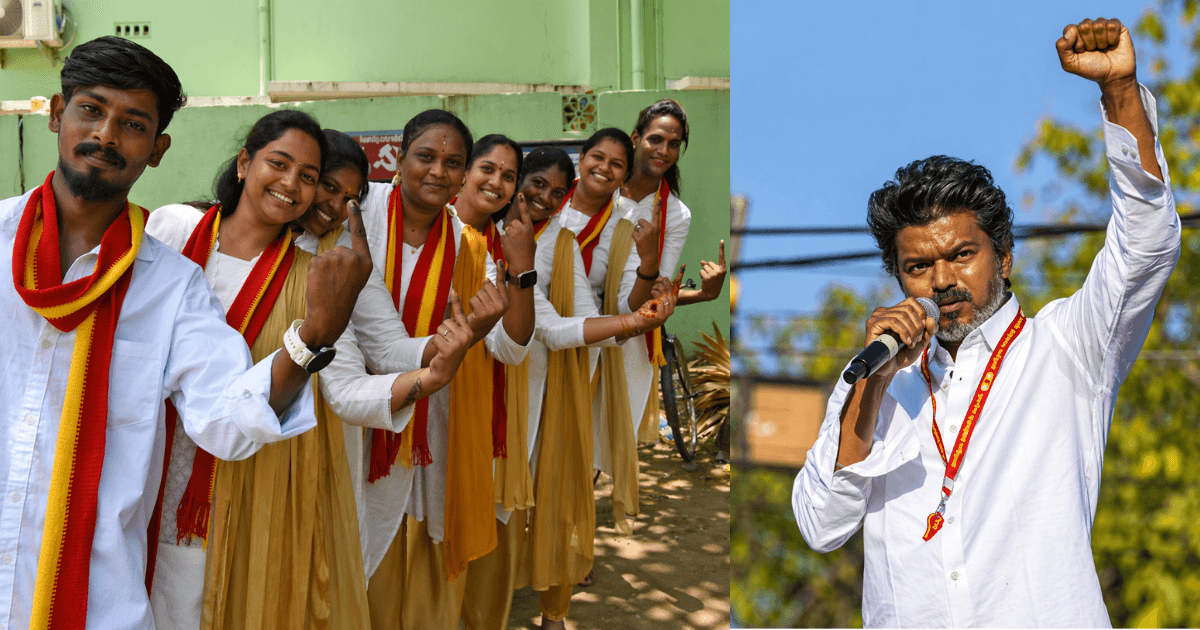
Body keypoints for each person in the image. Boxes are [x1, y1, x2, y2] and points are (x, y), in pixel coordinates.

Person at [791, 18, 1180, 627]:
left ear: (1004, 254)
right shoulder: (874, 379)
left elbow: (1148, 244)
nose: (942, 280)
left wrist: (1121, 93)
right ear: (898, 277)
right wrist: (871, 387)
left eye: (961, 256)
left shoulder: (1068, 345)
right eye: (918, 266)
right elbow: (820, 527)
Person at [0, 36, 367, 630]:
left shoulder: (171, 287)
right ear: (54, 115)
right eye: (91, 110)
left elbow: (227, 420)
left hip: (100, 602)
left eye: (134, 124)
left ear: (159, 149)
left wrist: (313, 337)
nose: (107, 136)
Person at [144, 110, 383, 629]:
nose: (291, 184)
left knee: (195, 601)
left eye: (309, 177)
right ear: (244, 162)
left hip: (231, 478)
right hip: (142, 458)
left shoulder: (310, 277)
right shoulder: (172, 230)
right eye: (278, 163)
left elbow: (333, 384)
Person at [357, 110, 532, 630]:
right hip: (346, 398)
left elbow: (512, 349)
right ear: (398, 157)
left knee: (395, 531)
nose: (437, 172)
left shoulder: (469, 244)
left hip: (421, 413)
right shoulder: (363, 210)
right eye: (426, 157)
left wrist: (522, 267)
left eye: (450, 163)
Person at [517, 127, 674, 629]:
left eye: (616, 164)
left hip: (577, 360)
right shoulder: (543, 212)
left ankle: (553, 609)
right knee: (514, 465)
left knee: (560, 477)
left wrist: (649, 264)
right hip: (517, 353)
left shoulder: (629, 224)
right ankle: (501, 581)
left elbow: (630, 303)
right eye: (596, 157)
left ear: (626, 175)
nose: (604, 168)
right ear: (580, 159)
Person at [618, 99, 728, 444]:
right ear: (635, 138)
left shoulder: (676, 215)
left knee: (618, 435)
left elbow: (656, 294)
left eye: (674, 143)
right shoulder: (603, 191)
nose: (664, 150)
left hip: (630, 331)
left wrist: (707, 294)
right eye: (655, 139)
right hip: (575, 318)